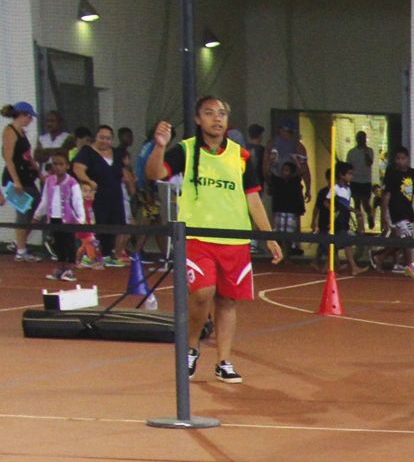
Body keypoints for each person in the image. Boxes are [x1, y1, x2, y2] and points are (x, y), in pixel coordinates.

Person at [144, 96, 285, 384]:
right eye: (209, 113)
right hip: (197, 237)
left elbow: (253, 198)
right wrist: (159, 146)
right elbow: (154, 173)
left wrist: (268, 236)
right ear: (198, 119)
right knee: (202, 293)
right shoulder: (185, 150)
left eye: (221, 113)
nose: (216, 119)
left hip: (234, 239)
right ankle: (192, 347)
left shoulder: (241, 155)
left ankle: (223, 361)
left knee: (227, 301)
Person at [72, 125, 131, 265]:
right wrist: (89, 181)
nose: (104, 141)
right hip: (96, 196)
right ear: (96, 137)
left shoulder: (117, 153)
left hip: (116, 195)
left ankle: (115, 255)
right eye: (101, 137)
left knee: (119, 225)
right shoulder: (87, 152)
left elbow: (124, 172)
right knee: (97, 226)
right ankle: (92, 255)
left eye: (108, 138)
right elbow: (78, 168)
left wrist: (131, 186)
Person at [34, 150, 84, 282]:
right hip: (54, 218)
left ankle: (71, 268)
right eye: (55, 164)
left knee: (69, 243)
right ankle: (60, 266)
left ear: (67, 165)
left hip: (68, 219)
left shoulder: (72, 182)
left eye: (61, 164)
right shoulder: (49, 181)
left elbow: (78, 201)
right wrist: (37, 215)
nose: (58, 167)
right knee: (58, 243)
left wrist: (81, 218)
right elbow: (45, 200)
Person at [379, 146, 414, 274]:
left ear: (407, 159)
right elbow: (386, 194)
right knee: (407, 237)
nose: (400, 161)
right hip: (396, 209)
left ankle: (392, 262)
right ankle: (410, 265)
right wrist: (384, 214)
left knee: (399, 237)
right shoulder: (392, 174)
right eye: (398, 159)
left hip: (407, 209)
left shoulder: (413, 173)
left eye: (403, 158)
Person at [4, 102, 38, 259]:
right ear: (23, 115)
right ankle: (21, 250)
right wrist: (16, 181)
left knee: (36, 210)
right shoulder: (9, 131)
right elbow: (8, 158)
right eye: (29, 117)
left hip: (27, 178)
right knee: (22, 213)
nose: (30, 120)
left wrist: (38, 171)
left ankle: (19, 243)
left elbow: (27, 155)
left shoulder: (22, 132)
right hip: (14, 179)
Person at [312, 161, 360, 271]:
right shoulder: (335, 188)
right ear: (341, 175)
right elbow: (326, 202)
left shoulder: (348, 189)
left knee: (335, 243)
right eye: (349, 174)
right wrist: (333, 210)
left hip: (344, 218)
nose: (351, 176)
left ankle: (328, 267)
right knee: (343, 241)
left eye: (352, 174)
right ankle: (353, 267)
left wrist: (354, 210)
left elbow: (346, 205)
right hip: (338, 219)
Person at [346, 129, 376, 230]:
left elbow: (369, 163)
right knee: (357, 203)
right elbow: (348, 167)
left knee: (366, 203)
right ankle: (360, 225)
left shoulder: (370, 151)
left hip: (366, 181)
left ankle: (370, 216)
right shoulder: (351, 152)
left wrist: (366, 153)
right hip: (355, 181)